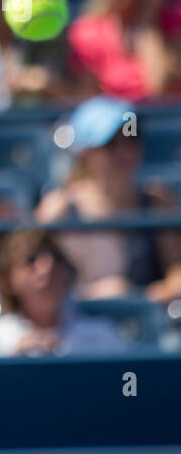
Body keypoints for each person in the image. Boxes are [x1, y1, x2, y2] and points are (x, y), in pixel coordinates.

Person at [35, 95, 181, 303]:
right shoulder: (59, 210)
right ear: (84, 153)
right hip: (76, 329)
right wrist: (94, 296)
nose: (125, 152)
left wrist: (139, 298)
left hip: (147, 326)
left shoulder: (157, 200)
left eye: (132, 139)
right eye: (111, 144)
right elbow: (32, 284)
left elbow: (177, 275)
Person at [0, 229, 132, 357]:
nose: (47, 269)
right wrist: (11, 365)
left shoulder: (103, 339)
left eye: (56, 259)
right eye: (31, 260)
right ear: (9, 279)